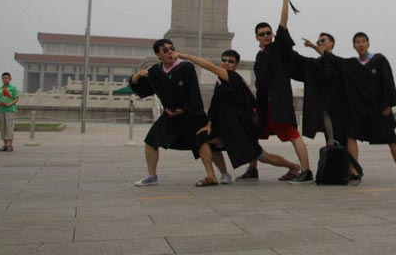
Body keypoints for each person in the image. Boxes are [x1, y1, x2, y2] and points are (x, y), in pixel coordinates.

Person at [176, 50, 301, 186]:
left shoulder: (232, 77)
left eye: (231, 62)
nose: (226, 63)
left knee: (262, 156)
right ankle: (216, 175)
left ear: (236, 65)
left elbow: (210, 67)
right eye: (224, 60)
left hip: (239, 130)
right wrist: (209, 124)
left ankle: (293, 167)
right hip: (225, 128)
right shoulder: (220, 82)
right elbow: (216, 105)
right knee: (203, 139)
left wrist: (186, 56)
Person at [239, 0, 313, 184]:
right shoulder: (260, 55)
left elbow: (283, 25)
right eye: (262, 34)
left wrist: (285, 1)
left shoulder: (278, 49)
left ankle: (306, 170)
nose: (266, 36)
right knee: (252, 133)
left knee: (293, 135)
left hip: (278, 100)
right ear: (256, 37)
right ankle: (252, 169)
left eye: (268, 33)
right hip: (263, 102)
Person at [128, 39, 210, 186]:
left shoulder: (186, 67)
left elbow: (193, 92)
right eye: (165, 50)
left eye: (171, 48)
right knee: (151, 141)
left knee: (202, 141)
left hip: (190, 114)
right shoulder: (155, 72)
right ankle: (152, 176)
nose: (170, 51)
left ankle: (213, 175)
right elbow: (141, 89)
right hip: (170, 115)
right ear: (158, 55)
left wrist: (184, 109)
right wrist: (138, 75)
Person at [287, 32, 361, 180]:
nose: (320, 42)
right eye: (318, 41)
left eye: (323, 40)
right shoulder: (315, 65)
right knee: (331, 139)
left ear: (331, 43)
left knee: (349, 139)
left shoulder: (342, 63)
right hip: (327, 110)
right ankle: (335, 170)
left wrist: (314, 47)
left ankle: (353, 170)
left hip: (344, 109)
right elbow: (296, 60)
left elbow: (333, 62)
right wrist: (284, 41)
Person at [340, 32, 396, 180]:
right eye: (357, 42)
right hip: (360, 109)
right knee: (351, 136)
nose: (361, 44)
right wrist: (316, 48)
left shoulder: (379, 59)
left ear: (368, 44)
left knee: (391, 139)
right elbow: (333, 60)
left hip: (380, 108)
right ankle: (354, 171)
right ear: (353, 46)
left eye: (363, 41)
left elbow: (388, 81)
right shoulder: (351, 64)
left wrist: (389, 104)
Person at [0, 72, 18, 152]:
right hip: (1, 110)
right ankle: (5, 145)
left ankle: (10, 145)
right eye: (3, 78)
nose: (5, 80)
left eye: (7, 78)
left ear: (10, 79)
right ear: (2, 79)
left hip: (10, 110)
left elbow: (16, 98)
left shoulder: (13, 88)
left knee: (9, 127)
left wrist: (9, 104)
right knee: (3, 127)